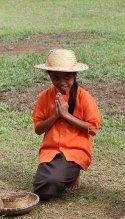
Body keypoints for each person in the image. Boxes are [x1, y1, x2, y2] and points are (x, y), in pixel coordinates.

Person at [32, 49, 101, 200]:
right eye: (56, 77)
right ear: (49, 76)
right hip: (50, 152)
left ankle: (73, 171)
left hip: (75, 152)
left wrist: (66, 116)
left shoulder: (84, 97)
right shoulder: (44, 97)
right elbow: (38, 129)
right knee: (40, 189)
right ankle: (65, 174)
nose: (62, 82)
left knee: (49, 184)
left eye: (67, 77)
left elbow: (93, 129)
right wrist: (56, 116)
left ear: (75, 76)